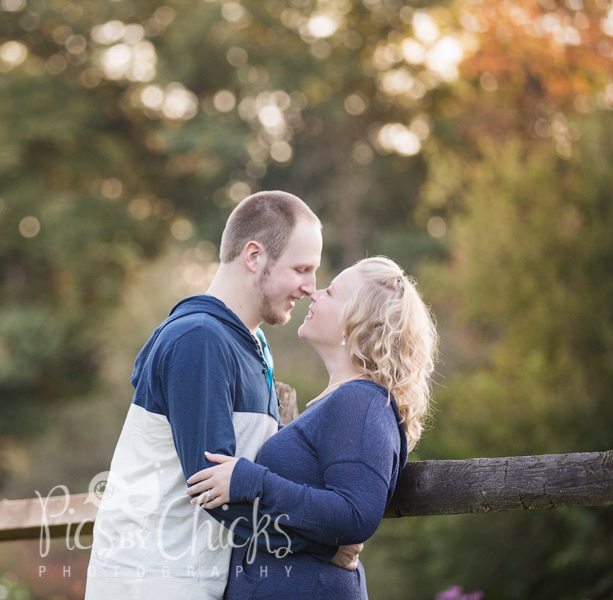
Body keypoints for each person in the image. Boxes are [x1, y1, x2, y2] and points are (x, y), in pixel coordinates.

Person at [85, 191, 359, 599]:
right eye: (301, 268)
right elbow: (210, 486)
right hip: (152, 579)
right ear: (253, 257)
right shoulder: (199, 339)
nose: (309, 287)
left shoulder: (253, 344)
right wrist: (321, 545)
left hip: (198, 577)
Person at [186, 256, 438, 599]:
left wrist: (248, 481)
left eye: (331, 292)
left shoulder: (360, 404)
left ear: (357, 322)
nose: (314, 294)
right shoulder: (342, 402)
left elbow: (355, 514)